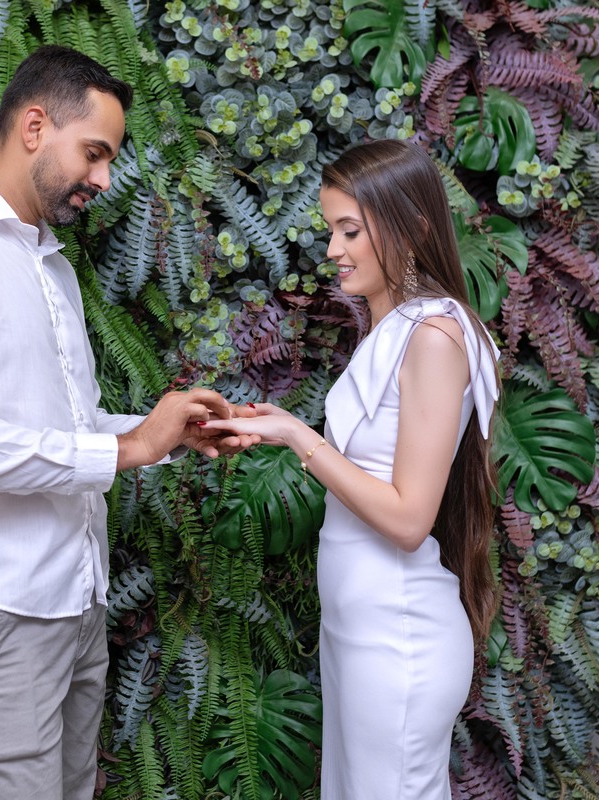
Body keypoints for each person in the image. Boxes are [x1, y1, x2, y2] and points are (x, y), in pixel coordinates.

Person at [0, 45, 256, 800]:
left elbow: (66, 427)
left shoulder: (53, 266)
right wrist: (129, 448)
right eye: (95, 153)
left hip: (76, 600)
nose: (104, 180)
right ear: (35, 127)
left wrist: (164, 436)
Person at [201, 139, 501, 799]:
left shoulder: (433, 337)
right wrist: (281, 427)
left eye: (350, 231)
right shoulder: (392, 331)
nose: (333, 249)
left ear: (412, 227)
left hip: (398, 641)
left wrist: (296, 436)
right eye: (331, 230)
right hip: (362, 633)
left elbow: (409, 519)